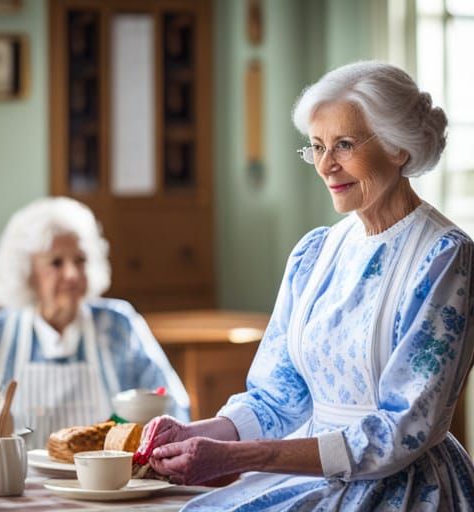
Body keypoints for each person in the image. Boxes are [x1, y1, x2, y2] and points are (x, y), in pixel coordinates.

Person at [135, 61, 474, 511]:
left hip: (399, 488)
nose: (326, 165)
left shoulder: (446, 257)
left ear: (400, 149)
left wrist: (237, 457)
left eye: (344, 145)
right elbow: (278, 396)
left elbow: (402, 430)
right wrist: (198, 433)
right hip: (312, 475)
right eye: (316, 146)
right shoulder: (316, 253)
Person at [0, 197, 190, 447]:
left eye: (80, 260)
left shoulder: (120, 325)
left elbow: (174, 409)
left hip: (108, 484)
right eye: (56, 263)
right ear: (28, 273)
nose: (72, 274)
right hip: (16, 486)